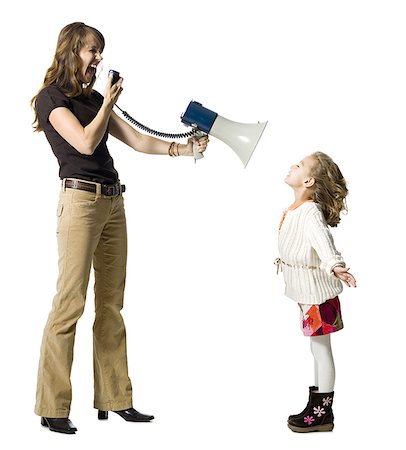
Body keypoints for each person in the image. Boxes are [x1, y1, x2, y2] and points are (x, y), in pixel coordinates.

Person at [32, 22, 208, 435]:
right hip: (80, 203)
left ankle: (115, 399)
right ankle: (52, 405)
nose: (98, 59)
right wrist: (108, 102)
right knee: (69, 303)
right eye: (92, 50)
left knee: (111, 303)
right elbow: (84, 144)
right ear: (71, 50)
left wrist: (186, 149)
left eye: (100, 51)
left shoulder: (92, 98)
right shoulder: (51, 99)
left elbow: (139, 141)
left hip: (113, 202)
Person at [275, 152, 356, 433]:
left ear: (308, 180)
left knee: (321, 350)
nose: (291, 165)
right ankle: (318, 406)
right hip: (307, 293)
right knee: (316, 348)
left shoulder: (309, 211)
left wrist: (336, 266)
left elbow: (323, 242)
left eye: (297, 165)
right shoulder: (297, 208)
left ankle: (322, 412)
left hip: (318, 295)